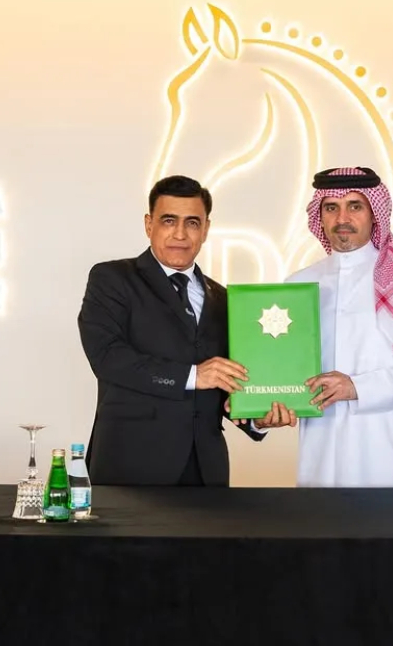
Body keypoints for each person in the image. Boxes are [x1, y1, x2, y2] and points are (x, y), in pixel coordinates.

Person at [78, 175, 294, 486]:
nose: (180, 234)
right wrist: (193, 375)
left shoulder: (223, 298)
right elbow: (108, 358)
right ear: (149, 225)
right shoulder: (112, 279)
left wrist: (256, 417)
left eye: (192, 223)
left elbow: (229, 378)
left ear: (205, 229)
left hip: (205, 470)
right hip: (130, 465)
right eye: (169, 221)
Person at [273, 166, 393, 487]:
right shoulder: (297, 285)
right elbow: (281, 369)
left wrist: (356, 387)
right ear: (319, 217)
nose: (342, 218)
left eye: (355, 206)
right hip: (320, 455)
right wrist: (260, 405)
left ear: (374, 214)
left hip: (387, 456)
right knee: (317, 518)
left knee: (388, 519)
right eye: (331, 207)